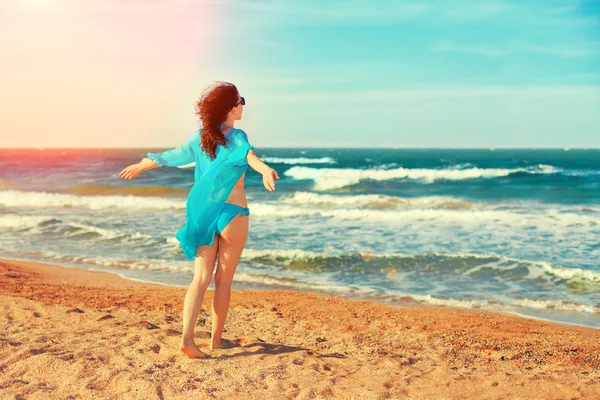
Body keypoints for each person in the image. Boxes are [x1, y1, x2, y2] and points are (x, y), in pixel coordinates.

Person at [119, 82, 280, 359]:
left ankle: (188, 339)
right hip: (232, 214)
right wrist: (265, 169)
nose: (243, 105)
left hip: (203, 215)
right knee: (223, 280)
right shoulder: (238, 136)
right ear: (231, 108)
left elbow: (173, 155)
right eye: (241, 101)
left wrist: (144, 164)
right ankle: (216, 341)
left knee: (200, 278)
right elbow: (249, 156)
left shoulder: (201, 138)